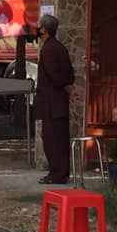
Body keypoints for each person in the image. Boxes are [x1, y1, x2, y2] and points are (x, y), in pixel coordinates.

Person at [33, 13, 75, 184]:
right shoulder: (59, 47)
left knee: (52, 139)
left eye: (39, 25)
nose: (37, 28)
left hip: (52, 102)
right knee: (59, 137)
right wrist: (68, 87)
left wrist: (66, 86)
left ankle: (56, 174)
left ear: (43, 29)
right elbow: (68, 73)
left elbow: (55, 75)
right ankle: (61, 173)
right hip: (58, 101)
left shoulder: (49, 49)